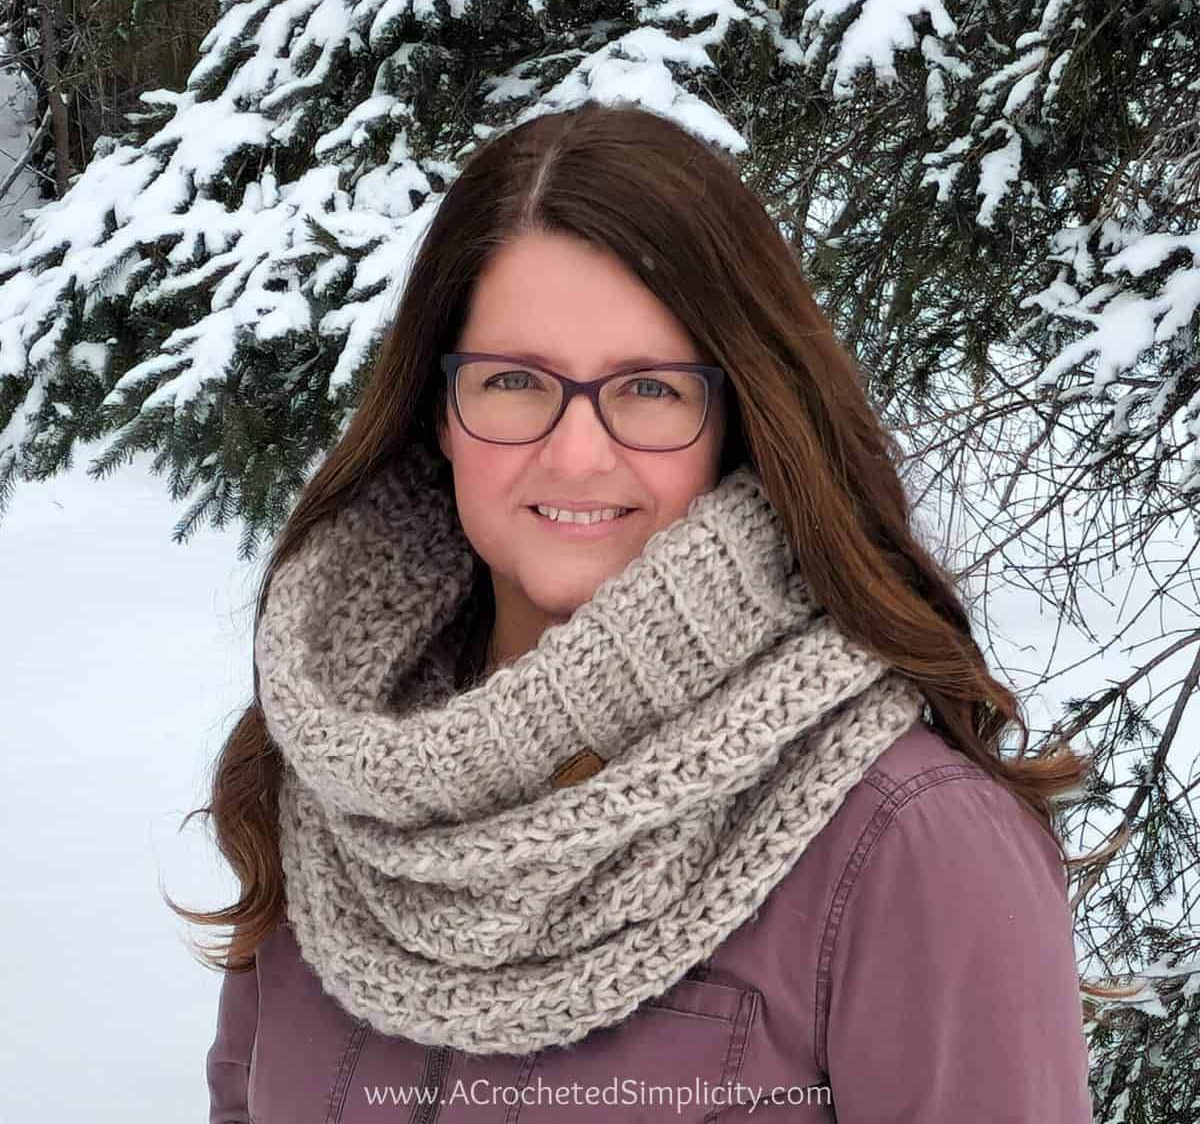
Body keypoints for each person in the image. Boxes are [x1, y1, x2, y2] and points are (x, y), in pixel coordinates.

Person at [174, 101, 1114, 1123]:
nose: (576, 453)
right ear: (440, 413)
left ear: (741, 417)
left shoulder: (907, 842)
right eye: (514, 380)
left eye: (653, 391)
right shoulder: (326, 775)